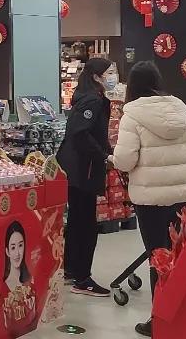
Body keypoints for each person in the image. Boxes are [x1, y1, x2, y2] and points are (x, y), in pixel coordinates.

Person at [112, 61, 186, 337]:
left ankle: (160, 320)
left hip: (151, 200)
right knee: (182, 256)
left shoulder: (132, 115)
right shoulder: (180, 108)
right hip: (185, 195)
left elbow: (125, 160)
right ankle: (185, 316)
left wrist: (113, 158)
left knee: (159, 258)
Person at [55, 57, 116, 297]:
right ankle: (82, 278)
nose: (113, 77)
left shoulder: (88, 97)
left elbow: (91, 133)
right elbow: (79, 133)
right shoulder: (93, 100)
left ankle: (71, 269)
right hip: (83, 169)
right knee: (86, 224)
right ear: (96, 76)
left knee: (77, 220)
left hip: (75, 168)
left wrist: (107, 150)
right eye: (109, 72)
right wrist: (103, 155)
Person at [0, 221, 38, 337]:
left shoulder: (31, 282)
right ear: (7, 251)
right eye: (13, 247)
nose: (17, 253)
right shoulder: (2, 290)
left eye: (20, 246)